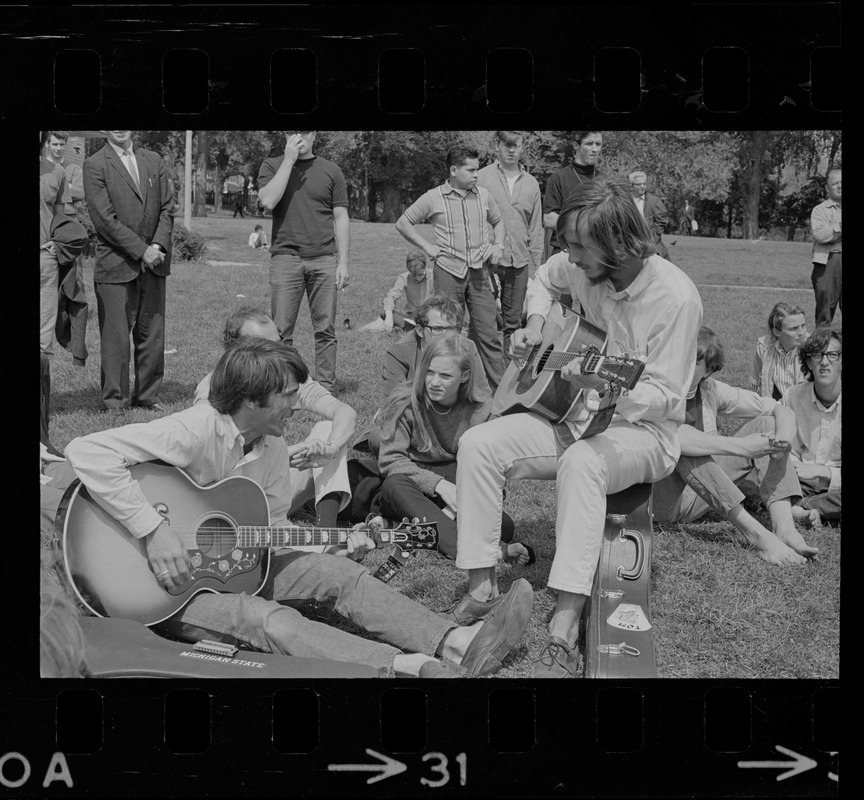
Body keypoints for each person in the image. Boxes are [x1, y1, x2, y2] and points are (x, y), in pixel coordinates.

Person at [63, 340, 533, 678]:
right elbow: (86, 451)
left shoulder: (270, 447)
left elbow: (269, 528)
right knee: (264, 619)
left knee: (337, 575)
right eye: (289, 395)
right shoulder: (193, 429)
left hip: (237, 563)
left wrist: (331, 544)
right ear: (251, 399)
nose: (299, 405)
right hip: (155, 590)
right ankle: (404, 667)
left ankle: (456, 641)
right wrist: (153, 530)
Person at [454, 177, 703, 678]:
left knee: (583, 462)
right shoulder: (579, 266)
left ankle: (563, 627)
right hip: (573, 414)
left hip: (644, 433)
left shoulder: (675, 298)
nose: (569, 256)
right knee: (478, 443)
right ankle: (482, 588)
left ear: (616, 244)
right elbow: (545, 280)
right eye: (567, 244)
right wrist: (534, 324)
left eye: (578, 246)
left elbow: (669, 397)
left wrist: (613, 386)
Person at [652, 326, 817, 566]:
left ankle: (784, 527)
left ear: (708, 370)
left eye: (693, 363)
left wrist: (780, 440)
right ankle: (756, 535)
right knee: (684, 448)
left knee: (766, 425)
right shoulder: (656, 388)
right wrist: (741, 446)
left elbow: (780, 409)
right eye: (680, 359)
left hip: (698, 494)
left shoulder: (710, 390)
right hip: (660, 500)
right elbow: (673, 436)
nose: (683, 369)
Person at [194, 306, 356, 530]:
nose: (278, 353)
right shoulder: (212, 390)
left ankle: (325, 530)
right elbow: (218, 466)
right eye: (266, 347)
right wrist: (283, 457)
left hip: (275, 489)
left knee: (328, 429)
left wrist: (331, 448)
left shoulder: (288, 379)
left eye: (279, 343)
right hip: (234, 503)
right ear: (239, 351)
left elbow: (344, 412)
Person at [377, 333, 533, 565]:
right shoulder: (405, 401)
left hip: (460, 486)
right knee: (394, 484)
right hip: (412, 486)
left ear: (464, 376)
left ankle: (406, 529)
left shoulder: (483, 410)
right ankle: (480, 551)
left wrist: (469, 495)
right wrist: (440, 486)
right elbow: (390, 461)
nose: (434, 382)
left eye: (445, 375)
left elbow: (494, 470)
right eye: (429, 372)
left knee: (505, 526)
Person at [396, 145, 507, 390]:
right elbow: (403, 223)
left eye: (477, 169)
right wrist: (428, 247)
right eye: (471, 169)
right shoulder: (433, 197)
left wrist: (498, 245)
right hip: (448, 272)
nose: (476, 174)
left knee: (489, 334)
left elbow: (498, 222)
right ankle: (442, 388)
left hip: (480, 272)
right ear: (454, 170)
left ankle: (502, 396)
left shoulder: (484, 195)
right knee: (446, 333)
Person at [83, 130, 174, 416]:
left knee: (152, 333)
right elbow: (104, 220)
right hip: (116, 265)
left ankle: (147, 396)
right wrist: (141, 250)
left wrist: (156, 245)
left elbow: (167, 208)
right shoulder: (95, 164)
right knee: (116, 338)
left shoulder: (154, 159)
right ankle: (115, 402)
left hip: (154, 263)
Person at [258, 131, 350, 393]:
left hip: (323, 259)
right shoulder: (272, 165)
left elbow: (341, 216)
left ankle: (325, 390)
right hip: (286, 259)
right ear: (284, 135)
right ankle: (284, 387)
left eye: (305, 132)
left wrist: (343, 262)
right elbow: (267, 201)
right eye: (292, 132)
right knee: (281, 332)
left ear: (315, 134)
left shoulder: (332, 170)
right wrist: (288, 161)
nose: (299, 137)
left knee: (325, 330)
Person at [354, 295, 489, 456]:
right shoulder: (399, 352)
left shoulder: (467, 347)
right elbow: (393, 406)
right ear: (419, 330)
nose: (445, 335)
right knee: (381, 439)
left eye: (451, 329)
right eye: (438, 329)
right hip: (415, 421)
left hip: (455, 419)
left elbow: (482, 393)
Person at [476, 131, 544, 355]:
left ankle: (507, 376)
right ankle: (477, 374)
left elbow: (535, 228)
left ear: (522, 147)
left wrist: (536, 267)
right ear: (497, 146)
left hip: (519, 263)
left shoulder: (532, 183)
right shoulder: (482, 177)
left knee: (513, 325)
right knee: (482, 324)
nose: (512, 150)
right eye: (507, 145)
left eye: (516, 146)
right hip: (488, 262)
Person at [782, 326, 841, 523]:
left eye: (832, 355)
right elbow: (787, 449)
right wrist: (795, 469)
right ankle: (810, 509)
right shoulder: (792, 397)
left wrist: (824, 472)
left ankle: (799, 508)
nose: (825, 363)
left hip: (837, 486)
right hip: (800, 481)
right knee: (754, 478)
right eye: (817, 356)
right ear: (808, 361)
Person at [46, 130, 89, 367]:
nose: (59, 148)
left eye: (62, 144)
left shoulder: (73, 169)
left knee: (75, 284)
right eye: (55, 143)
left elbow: (81, 193)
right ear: (48, 144)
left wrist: (63, 188)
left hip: (68, 232)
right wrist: (66, 189)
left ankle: (75, 342)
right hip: (47, 228)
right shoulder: (44, 169)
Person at [542, 132, 604, 256]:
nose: (595, 149)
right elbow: (549, 219)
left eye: (598, 144)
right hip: (565, 251)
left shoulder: (603, 180)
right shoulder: (559, 178)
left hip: (597, 253)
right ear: (576, 145)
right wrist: (584, 225)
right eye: (589, 144)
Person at [40, 137, 71, 355]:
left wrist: (57, 242)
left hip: (45, 256)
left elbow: (61, 214)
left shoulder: (57, 172)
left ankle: (42, 387)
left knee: (44, 331)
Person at [360, 250, 435, 333]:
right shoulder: (404, 277)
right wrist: (389, 317)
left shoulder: (434, 275)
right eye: (414, 275)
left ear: (425, 267)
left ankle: (405, 327)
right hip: (412, 317)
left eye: (420, 274)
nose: (418, 278)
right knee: (386, 313)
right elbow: (391, 296)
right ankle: (403, 326)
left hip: (431, 316)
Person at [750, 302, 807, 400]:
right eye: (794, 328)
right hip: (774, 406)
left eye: (803, 326)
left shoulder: (813, 348)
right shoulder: (763, 347)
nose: (801, 333)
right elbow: (756, 383)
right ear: (777, 331)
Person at [809, 168, 841, 326]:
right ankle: (820, 348)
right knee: (824, 311)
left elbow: (829, 234)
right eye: (836, 183)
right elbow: (821, 236)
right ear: (828, 188)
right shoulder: (819, 210)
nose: (840, 186)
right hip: (828, 262)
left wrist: (834, 231)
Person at [628, 170, 671, 261]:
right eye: (639, 184)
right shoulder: (625, 201)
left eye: (644, 184)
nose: (642, 187)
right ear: (631, 185)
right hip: (630, 243)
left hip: (650, 243)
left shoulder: (654, 201)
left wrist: (653, 238)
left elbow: (662, 220)